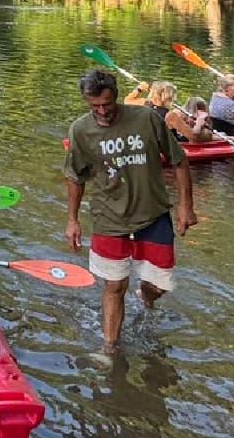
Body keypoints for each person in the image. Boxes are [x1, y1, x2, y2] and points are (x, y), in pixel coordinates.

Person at [64, 69, 198, 353]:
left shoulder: (147, 119)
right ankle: (109, 348)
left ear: (116, 96)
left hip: (153, 215)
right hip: (109, 218)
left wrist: (186, 206)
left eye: (107, 105)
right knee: (114, 286)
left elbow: (179, 160)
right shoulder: (80, 130)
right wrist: (72, 220)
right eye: (94, 106)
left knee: (159, 285)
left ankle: (146, 295)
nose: (102, 112)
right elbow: (75, 176)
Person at [145, 80, 212, 143]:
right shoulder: (170, 115)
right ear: (167, 95)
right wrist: (199, 123)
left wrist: (184, 121)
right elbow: (193, 136)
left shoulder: (144, 108)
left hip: (152, 145)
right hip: (172, 148)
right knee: (207, 134)